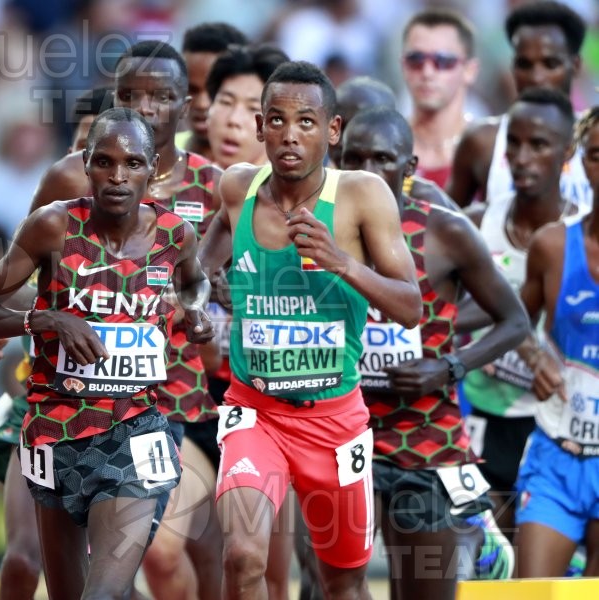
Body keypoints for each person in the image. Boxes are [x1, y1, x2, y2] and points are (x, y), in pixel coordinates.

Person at [0, 108, 214, 600]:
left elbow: (196, 280)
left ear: (151, 168)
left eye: (133, 164)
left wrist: (196, 309)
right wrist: (46, 318)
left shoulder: (174, 233)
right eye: (104, 162)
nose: (118, 177)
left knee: (104, 594)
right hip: (54, 429)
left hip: (135, 427)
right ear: (86, 165)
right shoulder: (52, 227)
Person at [198, 61, 422, 600]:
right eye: (276, 120)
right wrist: (198, 301)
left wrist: (340, 261)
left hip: (334, 420)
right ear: (259, 128)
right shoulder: (237, 189)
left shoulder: (363, 195)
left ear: (333, 131)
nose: (290, 135)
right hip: (256, 411)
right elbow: (197, 270)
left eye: (306, 122)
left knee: (341, 582)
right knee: (243, 556)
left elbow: (411, 306)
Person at [29, 40, 226, 599]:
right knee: (143, 556)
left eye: (161, 97)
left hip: (180, 396)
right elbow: (25, 270)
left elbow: (206, 279)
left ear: (184, 105)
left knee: (192, 551)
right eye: (131, 96)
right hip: (84, 400)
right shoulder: (70, 178)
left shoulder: (211, 185)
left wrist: (200, 304)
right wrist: (27, 329)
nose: (145, 108)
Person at [341, 107, 527, 598]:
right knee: (328, 586)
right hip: (340, 433)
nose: (366, 170)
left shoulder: (445, 231)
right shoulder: (314, 232)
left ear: (409, 168)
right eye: (353, 158)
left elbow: (513, 319)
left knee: (422, 590)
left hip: (421, 438)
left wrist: (446, 365)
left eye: (382, 158)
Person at [458, 87, 580, 535]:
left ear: (567, 152)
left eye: (539, 145)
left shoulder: (581, 238)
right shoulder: (473, 224)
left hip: (553, 421)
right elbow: (440, 312)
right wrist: (525, 346)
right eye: (514, 143)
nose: (522, 157)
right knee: (488, 563)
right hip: (482, 411)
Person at [514, 106, 599, 578]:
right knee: (531, 592)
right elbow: (513, 323)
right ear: (582, 163)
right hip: (556, 452)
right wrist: (534, 356)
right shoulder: (552, 245)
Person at [447, 1, 591, 210]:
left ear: (575, 66)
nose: (537, 77)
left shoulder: (593, 142)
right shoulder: (482, 142)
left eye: (550, 64)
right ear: (513, 67)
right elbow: (445, 226)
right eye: (525, 65)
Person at [330, 76, 459, 212]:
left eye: (361, 128)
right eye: (336, 126)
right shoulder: (315, 192)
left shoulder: (427, 203)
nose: (341, 140)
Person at [400, 8, 479, 190]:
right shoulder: (383, 145)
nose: (427, 72)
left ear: (469, 70)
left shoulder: (488, 150)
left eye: (443, 61)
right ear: (403, 66)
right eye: (416, 60)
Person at [206, 44, 290, 170]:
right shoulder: (183, 181)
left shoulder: (293, 188)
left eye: (253, 108)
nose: (234, 120)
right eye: (226, 102)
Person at [178, 22, 249, 157]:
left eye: (214, 90)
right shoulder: (159, 153)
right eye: (191, 89)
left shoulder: (271, 167)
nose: (202, 104)